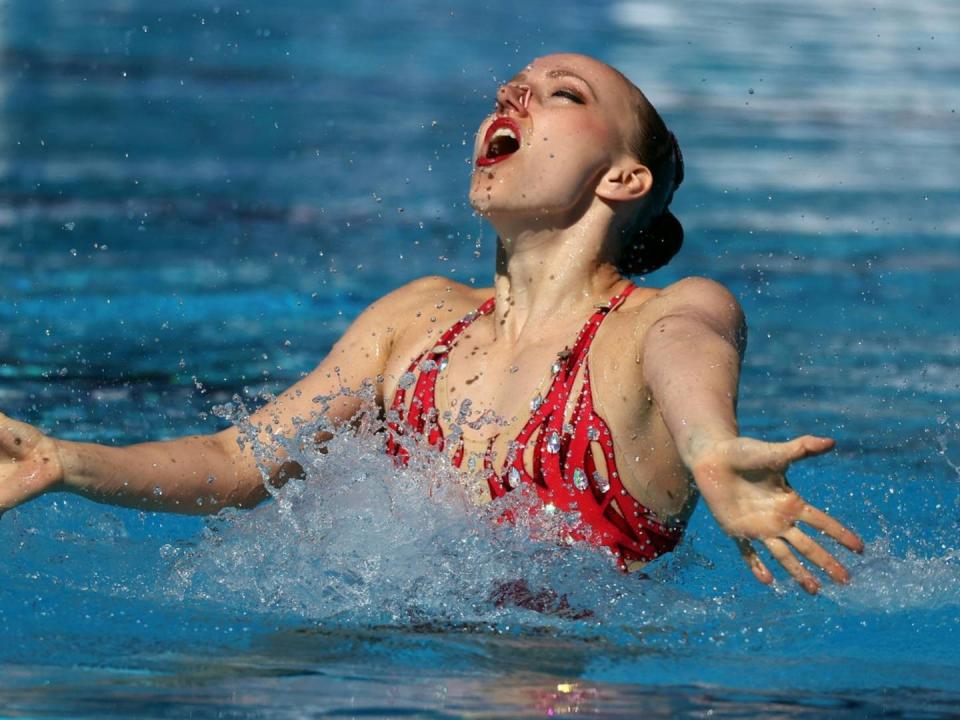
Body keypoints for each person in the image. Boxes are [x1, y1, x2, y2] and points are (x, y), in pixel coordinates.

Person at [0, 53, 863, 594]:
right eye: (511, 87)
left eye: (560, 94)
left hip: (587, 682)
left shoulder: (669, 315)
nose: (515, 94)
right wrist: (69, 462)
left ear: (624, 180)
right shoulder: (415, 318)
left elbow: (692, 360)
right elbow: (242, 460)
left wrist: (711, 447)